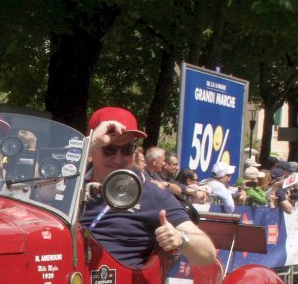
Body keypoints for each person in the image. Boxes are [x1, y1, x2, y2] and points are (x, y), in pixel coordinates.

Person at [81, 106, 216, 268]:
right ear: (91, 149)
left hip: (115, 282)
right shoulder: (69, 185)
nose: (118, 159)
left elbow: (208, 254)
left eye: (127, 149)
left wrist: (180, 238)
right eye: (109, 149)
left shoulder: (153, 195)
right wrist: (88, 144)